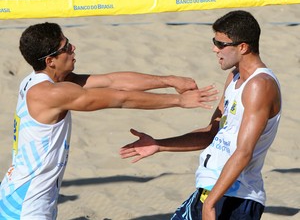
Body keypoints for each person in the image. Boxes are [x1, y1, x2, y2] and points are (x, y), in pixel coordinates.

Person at [0, 22, 218, 219]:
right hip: (27, 205)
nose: (73, 48)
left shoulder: (37, 81)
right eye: (65, 47)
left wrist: (168, 80)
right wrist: (179, 101)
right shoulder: (51, 93)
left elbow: (113, 80)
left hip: (19, 192)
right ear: (50, 61)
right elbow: (120, 98)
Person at [120, 10, 282, 219]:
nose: (215, 49)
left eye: (221, 44)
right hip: (211, 191)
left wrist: (210, 204)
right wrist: (159, 145)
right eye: (214, 42)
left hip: (235, 199)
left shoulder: (260, 85)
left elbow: (244, 152)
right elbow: (211, 133)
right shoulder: (235, 78)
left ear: (243, 47)